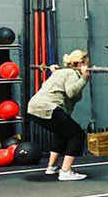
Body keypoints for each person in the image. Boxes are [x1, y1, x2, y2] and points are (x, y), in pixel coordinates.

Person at [26, 50, 91, 181]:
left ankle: (51, 167)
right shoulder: (72, 73)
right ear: (80, 63)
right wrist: (84, 78)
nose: (88, 66)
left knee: (61, 133)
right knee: (77, 134)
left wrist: (54, 73)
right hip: (48, 108)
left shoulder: (59, 72)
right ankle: (66, 171)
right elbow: (71, 92)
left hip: (34, 108)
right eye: (87, 64)